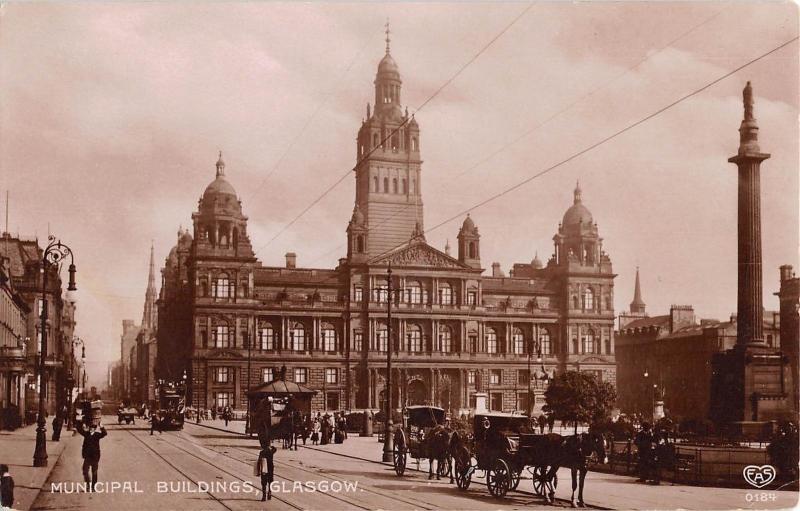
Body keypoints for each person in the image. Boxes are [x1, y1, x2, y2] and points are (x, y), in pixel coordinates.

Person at [77, 418, 107, 491]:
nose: (91, 429)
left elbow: (104, 433)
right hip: (87, 456)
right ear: (89, 428)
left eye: (93, 428)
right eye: (90, 428)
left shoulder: (97, 435)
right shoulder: (86, 434)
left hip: (95, 456)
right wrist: (80, 422)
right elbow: (79, 430)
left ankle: (93, 487)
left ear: (95, 429)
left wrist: (102, 427)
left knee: (94, 472)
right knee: (85, 470)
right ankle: (88, 484)